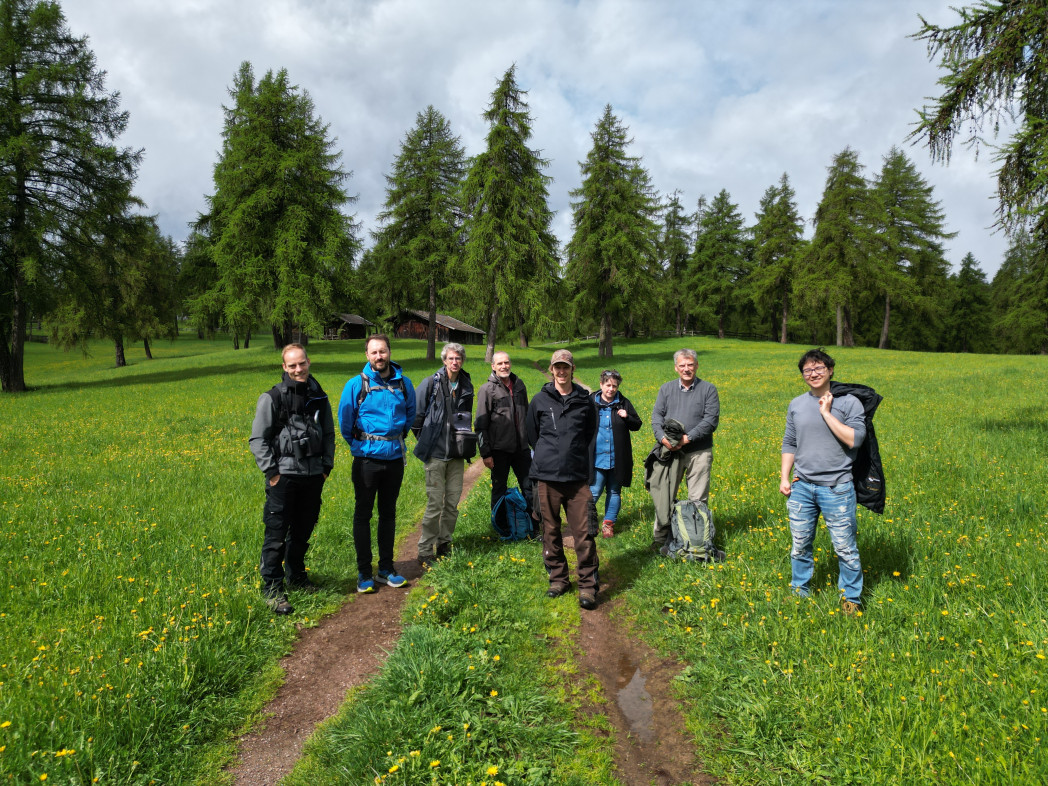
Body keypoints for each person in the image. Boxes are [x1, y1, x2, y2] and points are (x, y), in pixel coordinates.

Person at [249, 343, 335, 615]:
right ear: (284, 367)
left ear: (309, 363)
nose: (298, 369)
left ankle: (296, 576)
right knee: (276, 535)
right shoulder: (272, 397)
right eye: (293, 365)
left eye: (302, 363)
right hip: (284, 477)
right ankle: (272, 589)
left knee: (302, 531)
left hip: (313, 475)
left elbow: (329, 434)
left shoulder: (319, 396)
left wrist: (326, 467)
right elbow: (258, 439)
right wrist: (272, 472)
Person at [780, 348, 867, 616]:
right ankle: (799, 592)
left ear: (830, 371)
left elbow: (855, 439)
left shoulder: (850, 402)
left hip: (837, 487)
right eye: (807, 370)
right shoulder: (796, 404)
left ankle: (851, 598)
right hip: (802, 486)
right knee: (800, 545)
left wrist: (827, 412)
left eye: (819, 368)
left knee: (845, 547)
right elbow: (790, 442)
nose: (813, 373)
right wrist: (784, 477)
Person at [338, 334, 415, 593]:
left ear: (389, 352)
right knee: (363, 515)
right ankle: (364, 573)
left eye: (382, 351)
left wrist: (394, 440)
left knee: (388, 514)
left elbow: (410, 415)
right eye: (374, 352)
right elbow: (345, 422)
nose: (379, 356)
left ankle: (385, 569)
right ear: (367, 355)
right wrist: (363, 445)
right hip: (366, 461)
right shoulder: (355, 385)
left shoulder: (404, 383)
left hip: (394, 460)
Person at [526, 349, 599, 609]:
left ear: (572, 369)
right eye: (557, 366)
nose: (561, 371)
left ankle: (588, 585)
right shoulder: (539, 400)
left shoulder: (585, 401)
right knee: (550, 531)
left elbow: (590, 433)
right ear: (551, 369)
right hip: (546, 477)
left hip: (577, 478)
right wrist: (550, 455)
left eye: (565, 366)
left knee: (584, 533)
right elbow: (532, 435)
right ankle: (558, 579)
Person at [649, 348, 720, 549]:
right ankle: (660, 539)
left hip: (699, 452)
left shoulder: (708, 389)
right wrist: (662, 438)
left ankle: (696, 543)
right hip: (670, 452)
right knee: (665, 496)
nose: (686, 369)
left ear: (696, 366)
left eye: (690, 365)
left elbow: (711, 420)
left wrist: (687, 439)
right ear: (676, 368)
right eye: (682, 365)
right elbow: (656, 416)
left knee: (698, 499)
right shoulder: (666, 389)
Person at [412, 342, 474, 566]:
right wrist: (426, 440)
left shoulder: (466, 385)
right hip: (436, 455)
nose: (455, 362)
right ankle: (425, 550)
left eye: (458, 358)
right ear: (444, 360)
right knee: (435, 504)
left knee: (452, 503)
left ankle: (444, 543)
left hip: (456, 455)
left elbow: (465, 418)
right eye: (451, 358)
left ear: (462, 361)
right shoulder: (431, 383)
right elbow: (416, 417)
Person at [475, 351, 533, 527]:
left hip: (522, 449)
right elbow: (480, 424)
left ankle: (533, 525)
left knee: (530, 487)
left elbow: (527, 416)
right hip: (499, 450)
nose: (504, 366)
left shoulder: (519, 385)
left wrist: (532, 443)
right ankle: (501, 528)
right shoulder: (487, 390)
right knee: (499, 489)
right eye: (499, 363)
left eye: (506, 362)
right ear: (493, 366)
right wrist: (486, 453)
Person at [588, 369, 642, 539]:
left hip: (617, 458)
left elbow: (637, 424)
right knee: (593, 491)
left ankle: (608, 525)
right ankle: (586, 522)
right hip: (596, 458)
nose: (611, 389)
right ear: (601, 384)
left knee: (614, 492)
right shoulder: (590, 402)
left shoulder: (623, 403)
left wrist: (627, 416)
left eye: (614, 386)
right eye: (608, 385)